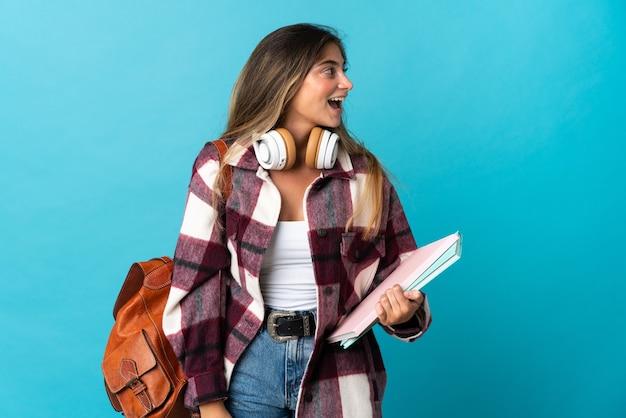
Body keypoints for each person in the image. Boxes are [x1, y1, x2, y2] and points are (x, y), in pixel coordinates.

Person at [162, 23, 431, 418]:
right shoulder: (222, 168)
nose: (347, 83)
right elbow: (197, 289)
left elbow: (403, 274)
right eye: (330, 70)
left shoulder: (365, 176)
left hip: (341, 371)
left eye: (344, 68)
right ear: (285, 81)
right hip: (247, 370)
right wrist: (209, 403)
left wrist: (406, 314)